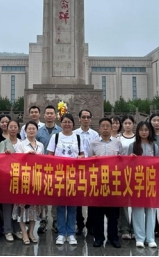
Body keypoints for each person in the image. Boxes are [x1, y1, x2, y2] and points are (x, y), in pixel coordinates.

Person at [48, 113, 85, 245]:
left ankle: (71, 233)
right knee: (60, 205)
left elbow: (82, 154)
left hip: (74, 176)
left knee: (72, 205)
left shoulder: (78, 137)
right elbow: (50, 155)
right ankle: (61, 233)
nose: (67, 124)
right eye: (65, 122)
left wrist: (81, 157)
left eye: (69, 122)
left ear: (73, 124)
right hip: (59, 176)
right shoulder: (56, 137)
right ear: (61, 123)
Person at [88, 117, 124, 248]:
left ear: (111, 127)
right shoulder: (93, 143)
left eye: (107, 126)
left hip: (113, 182)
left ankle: (113, 237)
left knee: (113, 213)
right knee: (97, 212)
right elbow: (89, 162)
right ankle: (98, 237)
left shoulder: (117, 143)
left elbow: (122, 161)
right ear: (99, 128)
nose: (105, 128)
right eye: (102, 126)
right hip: (98, 182)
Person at [128, 121, 159, 248]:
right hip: (137, 182)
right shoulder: (133, 146)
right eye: (141, 130)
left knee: (151, 210)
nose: (144, 132)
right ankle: (139, 237)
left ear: (150, 131)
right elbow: (128, 165)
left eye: (146, 130)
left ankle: (150, 238)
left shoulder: (154, 147)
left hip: (151, 182)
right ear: (138, 131)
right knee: (138, 210)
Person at [13, 121, 45, 244]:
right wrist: (27, 155)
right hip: (23, 180)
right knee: (22, 208)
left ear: (37, 130)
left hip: (36, 180)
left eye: (33, 128)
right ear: (25, 131)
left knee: (34, 208)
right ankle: (24, 233)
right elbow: (16, 160)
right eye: (29, 128)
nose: (31, 130)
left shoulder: (41, 145)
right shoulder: (20, 145)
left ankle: (31, 232)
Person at [36, 105, 62, 234]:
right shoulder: (38, 132)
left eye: (52, 113)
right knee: (43, 195)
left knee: (56, 195)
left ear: (55, 115)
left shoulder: (61, 131)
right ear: (44, 115)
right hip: (42, 169)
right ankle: (43, 220)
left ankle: (56, 220)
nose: (50, 115)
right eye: (48, 113)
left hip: (57, 169)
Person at [74, 109, 99, 236]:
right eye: (83, 117)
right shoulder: (74, 134)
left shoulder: (95, 135)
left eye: (88, 117)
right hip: (77, 170)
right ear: (79, 119)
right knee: (77, 198)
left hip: (91, 169)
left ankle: (90, 224)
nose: (86, 119)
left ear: (91, 119)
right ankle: (79, 224)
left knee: (92, 197)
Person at [0, 119, 22, 242]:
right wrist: (4, 155)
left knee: (18, 205)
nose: (12, 129)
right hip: (6, 179)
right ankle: (8, 230)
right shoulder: (3, 143)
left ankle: (17, 229)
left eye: (15, 126)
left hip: (20, 178)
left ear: (18, 129)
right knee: (7, 206)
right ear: (7, 128)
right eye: (10, 126)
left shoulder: (22, 143)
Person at [118, 114, 136, 239]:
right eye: (125, 123)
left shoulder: (137, 138)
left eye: (130, 123)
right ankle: (124, 228)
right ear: (122, 125)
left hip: (135, 172)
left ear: (133, 124)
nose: (128, 125)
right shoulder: (118, 138)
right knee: (123, 201)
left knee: (135, 201)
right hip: (122, 172)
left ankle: (135, 228)